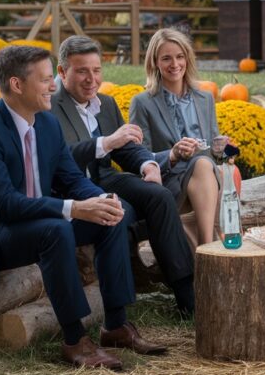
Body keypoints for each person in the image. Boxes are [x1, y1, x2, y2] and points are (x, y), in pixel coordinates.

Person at [0, 45, 165, 370]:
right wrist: (73, 208)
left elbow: (71, 179)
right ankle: (76, 341)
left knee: (111, 215)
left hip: (28, 224)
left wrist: (98, 200)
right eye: (45, 80)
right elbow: (4, 205)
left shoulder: (46, 124)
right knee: (55, 229)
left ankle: (115, 325)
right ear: (17, 85)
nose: (53, 87)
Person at [52, 35, 195, 316]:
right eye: (82, 71)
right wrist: (106, 142)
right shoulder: (50, 107)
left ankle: (186, 293)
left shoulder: (105, 103)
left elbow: (127, 149)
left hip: (103, 176)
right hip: (70, 187)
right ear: (62, 72)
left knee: (159, 195)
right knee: (123, 210)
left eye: (96, 71)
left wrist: (147, 165)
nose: (91, 79)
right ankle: (121, 311)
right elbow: (60, 158)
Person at [129, 28, 230, 248]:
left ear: (187, 58)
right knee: (203, 165)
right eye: (166, 58)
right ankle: (209, 247)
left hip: (204, 177)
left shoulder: (205, 98)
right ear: (155, 62)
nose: (174, 64)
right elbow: (138, 156)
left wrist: (221, 148)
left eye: (179, 56)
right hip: (169, 181)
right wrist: (173, 154)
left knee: (205, 164)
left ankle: (205, 250)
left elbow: (213, 152)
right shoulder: (143, 102)